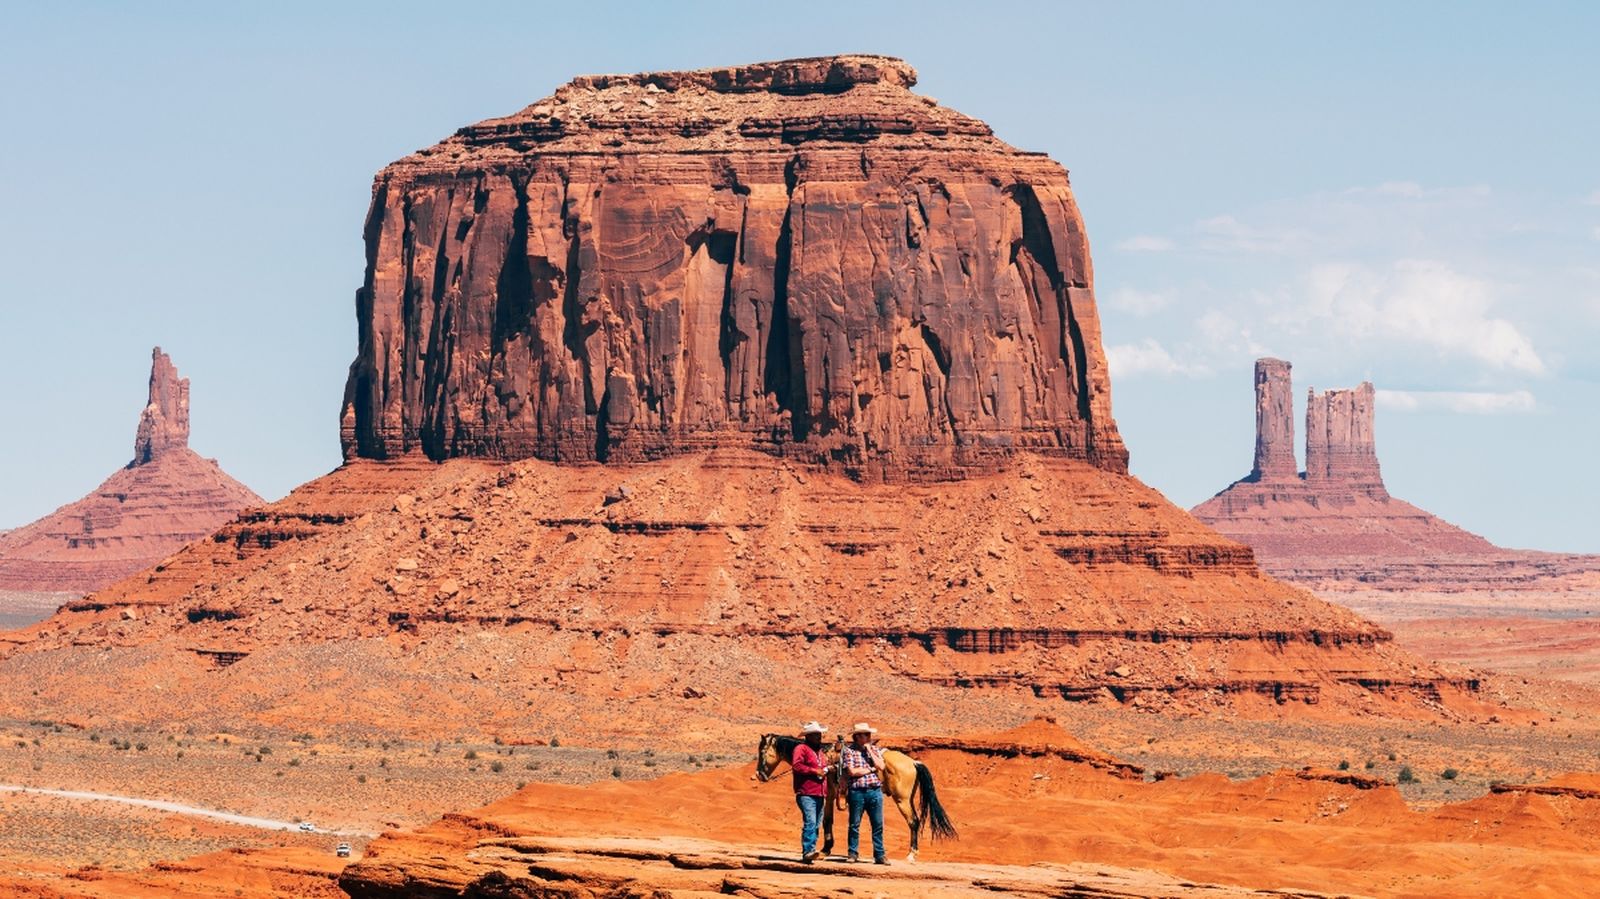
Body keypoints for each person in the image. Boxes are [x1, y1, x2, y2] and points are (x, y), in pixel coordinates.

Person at [840, 722, 888, 864]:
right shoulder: (849, 751)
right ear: (857, 737)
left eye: (868, 734)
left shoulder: (874, 749)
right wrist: (871, 770)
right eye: (865, 735)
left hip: (874, 791)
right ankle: (852, 853)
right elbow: (853, 772)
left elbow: (881, 766)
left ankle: (879, 855)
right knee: (854, 824)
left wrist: (870, 751)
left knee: (878, 824)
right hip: (857, 791)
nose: (868, 737)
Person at [791, 721, 830, 862]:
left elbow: (822, 768)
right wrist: (815, 771)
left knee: (816, 823)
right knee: (810, 822)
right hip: (806, 792)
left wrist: (826, 770)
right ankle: (808, 851)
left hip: (820, 793)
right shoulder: (801, 748)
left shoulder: (819, 752)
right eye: (816, 734)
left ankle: (812, 850)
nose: (819, 737)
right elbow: (796, 765)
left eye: (819, 734)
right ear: (808, 736)